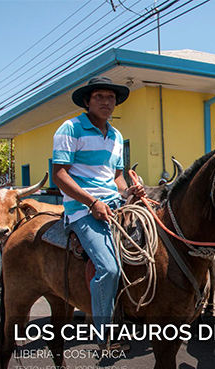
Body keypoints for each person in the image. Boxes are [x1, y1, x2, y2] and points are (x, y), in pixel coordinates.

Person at [51, 76, 145, 350]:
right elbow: (59, 175)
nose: (106, 102)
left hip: (114, 205)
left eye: (111, 98)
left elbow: (116, 179)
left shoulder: (115, 136)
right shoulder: (70, 129)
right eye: (99, 97)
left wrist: (130, 192)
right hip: (83, 210)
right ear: (87, 101)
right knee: (109, 268)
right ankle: (104, 334)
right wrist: (92, 203)